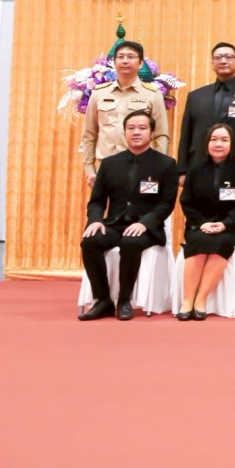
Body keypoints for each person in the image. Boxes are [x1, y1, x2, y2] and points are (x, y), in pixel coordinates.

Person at [78, 110, 178, 321]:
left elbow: (166, 204)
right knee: (90, 241)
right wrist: (95, 220)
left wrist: (145, 223)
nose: (136, 132)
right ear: (124, 132)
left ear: (151, 133)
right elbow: (97, 201)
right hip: (115, 223)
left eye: (142, 128)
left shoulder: (166, 164)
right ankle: (103, 299)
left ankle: (124, 300)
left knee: (131, 241)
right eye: (131, 128)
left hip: (147, 228)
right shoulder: (109, 163)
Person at [177, 123, 235, 321]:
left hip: (231, 227)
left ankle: (201, 299)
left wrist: (225, 224)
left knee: (220, 242)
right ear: (207, 143)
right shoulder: (195, 168)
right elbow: (186, 201)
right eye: (214, 139)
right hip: (199, 224)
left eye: (224, 140)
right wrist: (201, 223)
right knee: (198, 241)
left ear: (232, 144)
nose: (218, 144)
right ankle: (187, 300)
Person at [78, 40, 169, 187]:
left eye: (131, 56)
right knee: (107, 209)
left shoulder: (153, 94)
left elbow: (161, 135)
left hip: (142, 168)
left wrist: (158, 168)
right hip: (106, 167)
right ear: (113, 63)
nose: (125, 60)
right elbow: (89, 135)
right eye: (120, 57)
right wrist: (89, 169)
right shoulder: (99, 93)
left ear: (140, 63)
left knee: (142, 209)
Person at [178, 42, 235, 181]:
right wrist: (182, 170)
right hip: (199, 168)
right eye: (218, 57)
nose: (224, 61)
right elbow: (186, 135)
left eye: (229, 57)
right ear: (212, 62)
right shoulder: (196, 96)